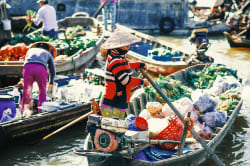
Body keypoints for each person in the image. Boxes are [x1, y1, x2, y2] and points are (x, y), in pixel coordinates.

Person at [99, 28, 149, 120]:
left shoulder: (119, 56)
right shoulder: (115, 60)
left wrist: (139, 64)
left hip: (119, 99)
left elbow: (125, 66)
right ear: (116, 46)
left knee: (117, 125)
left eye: (128, 43)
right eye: (124, 44)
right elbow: (126, 81)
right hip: (112, 102)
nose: (128, 46)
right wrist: (142, 81)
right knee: (113, 128)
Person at [22, 42, 56, 117]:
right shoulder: (48, 53)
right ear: (47, 49)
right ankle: (41, 112)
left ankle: (24, 112)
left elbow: (26, 62)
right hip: (40, 69)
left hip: (27, 68)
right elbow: (52, 71)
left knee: (26, 91)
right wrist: (51, 82)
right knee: (42, 92)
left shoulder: (30, 50)